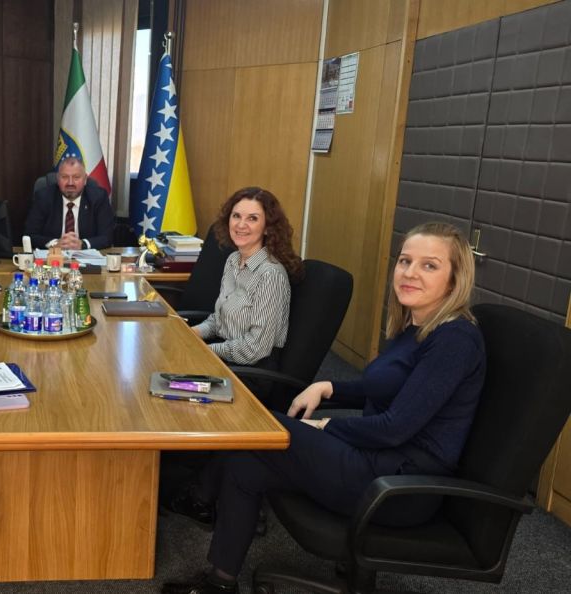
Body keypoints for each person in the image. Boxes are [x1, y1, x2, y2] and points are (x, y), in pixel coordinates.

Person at [163, 222, 486, 594]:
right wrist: (328, 387)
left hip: (399, 487)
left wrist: (325, 425)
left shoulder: (454, 340)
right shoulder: (416, 326)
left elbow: (395, 427)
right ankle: (220, 582)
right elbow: (385, 389)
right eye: (404, 261)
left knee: (257, 428)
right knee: (247, 460)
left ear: (455, 280)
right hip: (377, 461)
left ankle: (200, 497)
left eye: (429, 265)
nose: (410, 272)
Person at [191, 187, 303, 366]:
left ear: (267, 228)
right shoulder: (233, 260)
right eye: (236, 216)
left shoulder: (270, 275)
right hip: (224, 353)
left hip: (249, 369)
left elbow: (255, 349)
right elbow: (219, 320)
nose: (241, 225)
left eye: (252, 218)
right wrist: (191, 334)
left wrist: (205, 350)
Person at [24, 156, 115, 250]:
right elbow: (29, 235)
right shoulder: (44, 197)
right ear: (58, 179)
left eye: (76, 177)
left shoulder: (98, 198)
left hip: (86, 257)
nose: (70, 183)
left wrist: (82, 244)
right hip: (53, 256)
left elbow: (107, 237)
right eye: (65, 177)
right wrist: (55, 243)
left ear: (85, 180)